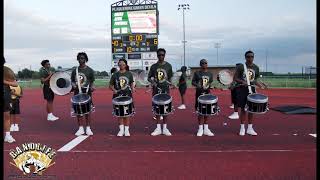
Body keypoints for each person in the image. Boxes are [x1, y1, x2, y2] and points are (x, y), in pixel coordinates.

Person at [234, 50, 266, 136]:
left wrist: (260, 85)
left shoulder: (256, 67)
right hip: (242, 90)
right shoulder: (241, 67)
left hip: (252, 90)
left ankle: (250, 128)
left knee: (251, 109)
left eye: (252, 57)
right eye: (248, 57)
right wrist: (242, 81)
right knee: (244, 109)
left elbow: (255, 80)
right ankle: (242, 128)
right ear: (245, 57)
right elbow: (235, 78)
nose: (250, 58)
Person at [148, 48, 174, 136]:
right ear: (157, 55)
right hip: (156, 90)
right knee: (157, 109)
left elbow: (170, 78)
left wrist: (171, 84)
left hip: (165, 90)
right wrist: (153, 82)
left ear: (165, 55)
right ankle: (158, 128)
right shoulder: (154, 66)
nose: (161, 56)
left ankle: (165, 128)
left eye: (162, 55)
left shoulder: (169, 66)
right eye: (159, 55)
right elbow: (149, 77)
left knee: (166, 109)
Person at [71, 52, 95, 136]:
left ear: (86, 59)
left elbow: (92, 82)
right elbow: (72, 81)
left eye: (83, 58)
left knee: (87, 111)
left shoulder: (90, 70)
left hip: (87, 94)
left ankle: (88, 128)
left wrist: (92, 87)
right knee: (78, 112)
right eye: (80, 58)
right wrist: (73, 85)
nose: (81, 59)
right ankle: (80, 128)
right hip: (77, 94)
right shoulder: (75, 71)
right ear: (78, 59)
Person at [109, 58, 135, 137]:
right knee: (119, 113)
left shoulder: (129, 74)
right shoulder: (115, 75)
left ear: (126, 65)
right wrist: (114, 90)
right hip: (117, 96)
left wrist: (133, 88)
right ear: (118, 65)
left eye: (123, 64)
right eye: (120, 64)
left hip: (127, 95)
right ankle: (121, 130)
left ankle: (126, 130)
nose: (121, 65)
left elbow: (131, 83)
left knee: (127, 113)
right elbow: (110, 85)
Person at [192, 59, 215, 136]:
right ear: (200, 64)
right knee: (200, 111)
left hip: (207, 94)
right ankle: (200, 128)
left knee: (207, 111)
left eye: (205, 63)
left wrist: (211, 87)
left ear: (207, 64)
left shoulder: (210, 74)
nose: (204, 64)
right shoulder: (197, 73)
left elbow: (209, 83)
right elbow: (193, 82)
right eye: (202, 63)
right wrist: (197, 85)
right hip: (199, 94)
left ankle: (206, 128)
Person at [3, 57, 18, 143]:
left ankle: (8, 136)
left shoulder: (7, 71)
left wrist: (5, 82)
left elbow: (15, 84)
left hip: (5, 96)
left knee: (7, 116)